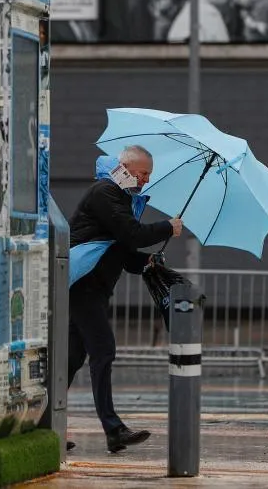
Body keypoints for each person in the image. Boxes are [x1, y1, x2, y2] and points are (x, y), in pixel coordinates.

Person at [66, 145, 182, 453]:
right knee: (102, 349)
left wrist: (147, 263)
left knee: (72, 357)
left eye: (149, 176)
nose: (145, 180)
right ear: (126, 167)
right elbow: (131, 234)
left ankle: (43, 423)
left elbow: (123, 251)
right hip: (83, 285)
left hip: (95, 287)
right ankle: (113, 429)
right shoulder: (105, 192)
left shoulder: (123, 199)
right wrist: (167, 226)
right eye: (143, 173)